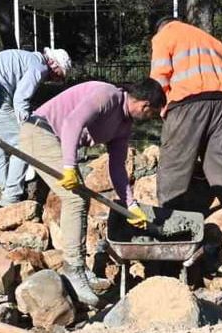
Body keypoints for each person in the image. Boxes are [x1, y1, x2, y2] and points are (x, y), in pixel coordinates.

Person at [19, 79, 165, 305]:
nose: (150, 119)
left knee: (80, 198)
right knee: (75, 199)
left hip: (57, 140)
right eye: (152, 113)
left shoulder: (123, 125)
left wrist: (132, 206)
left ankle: (78, 266)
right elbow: (71, 123)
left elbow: (117, 167)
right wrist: (69, 166)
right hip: (40, 132)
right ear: (145, 105)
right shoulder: (108, 95)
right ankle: (73, 269)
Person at [150, 17, 222, 211]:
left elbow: (159, 76)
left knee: (175, 162)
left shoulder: (165, 35)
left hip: (187, 102)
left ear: (161, 27)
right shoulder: (213, 41)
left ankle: (170, 220)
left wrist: (161, 107)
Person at [0, 47, 72, 203]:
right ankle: (12, 197)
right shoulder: (39, 66)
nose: (55, 80)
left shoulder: (26, 58)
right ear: (54, 65)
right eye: (58, 76)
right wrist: (27, 127)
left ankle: (3, 193)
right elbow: (20, 100)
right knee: (22, 144)